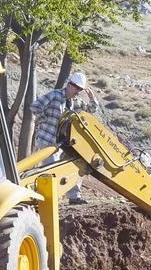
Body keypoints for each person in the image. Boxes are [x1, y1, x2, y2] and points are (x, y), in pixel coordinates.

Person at [31, 72, 100, 205]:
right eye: (76, 87)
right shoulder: (55, 95)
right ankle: (46, 200)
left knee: (73, 165)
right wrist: (42, 118)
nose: (78, 91)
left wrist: (92, 98)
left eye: (80, 89)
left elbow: (90, 110)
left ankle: (74, 197)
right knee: (51, 170)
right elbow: (35, 106)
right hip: (48, 139)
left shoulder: (75, 102)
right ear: (69, 84)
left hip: (64, 142)